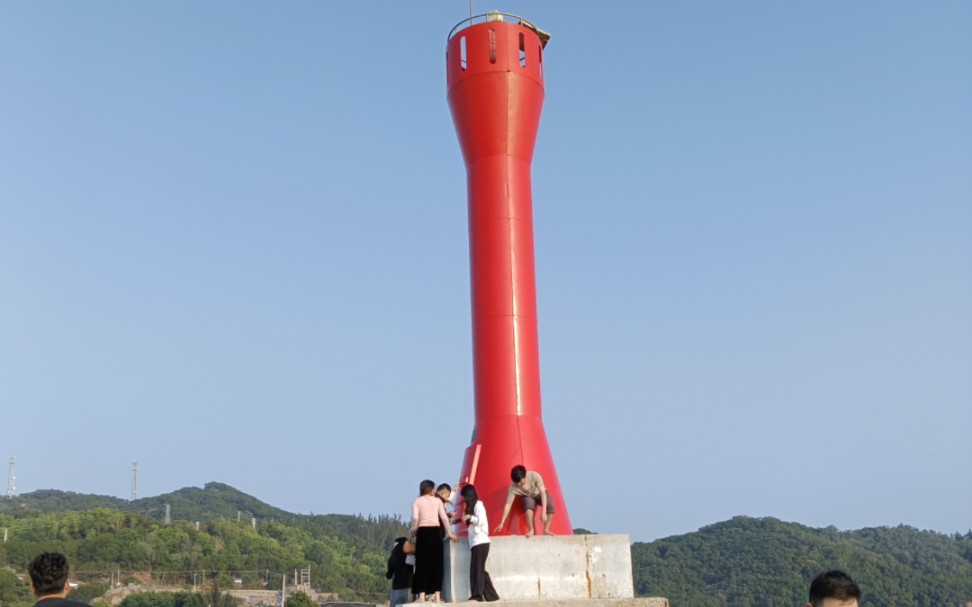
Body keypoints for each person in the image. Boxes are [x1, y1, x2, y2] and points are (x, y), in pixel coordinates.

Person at [411, 479, 457, 603]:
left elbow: (415, 518)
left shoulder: (416, 501)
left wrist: (414, 529)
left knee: (422, 565)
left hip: (423, 533)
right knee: (437, 564)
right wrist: (450, 533)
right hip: (435, 533)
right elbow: (444, 518)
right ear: (432, 489)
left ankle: (421, 596)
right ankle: (437, 596)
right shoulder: (437, 501)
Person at [458, 484, 499, 602]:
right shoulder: (474, 506)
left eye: (465, 497)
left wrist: (469, 517)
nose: (464, 500)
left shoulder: (478, 505)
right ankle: (492, 596)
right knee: (480, 569)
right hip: (477, 542)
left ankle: (477, 595)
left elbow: (481, 521)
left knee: (476, 569)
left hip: (480, 542)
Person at [494, 465, 555, 537]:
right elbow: (508, 504)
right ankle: (531, 529)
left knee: (550, 502)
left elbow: (543, 493)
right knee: (528, 502)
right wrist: (502, 522)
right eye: (517, 482)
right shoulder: (513, 487)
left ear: (525, 476)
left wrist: (544, 512)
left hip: (538, 493)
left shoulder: (535, 476)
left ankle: (546, 529)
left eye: (520, 481)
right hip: (527, 496)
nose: (519, 484)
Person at [386, 537, 414, 607]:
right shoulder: (409, 556)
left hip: (396, 589)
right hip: (409, 588)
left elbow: (389, 575)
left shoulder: (392, 558)